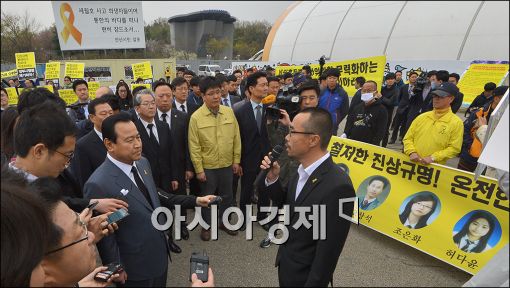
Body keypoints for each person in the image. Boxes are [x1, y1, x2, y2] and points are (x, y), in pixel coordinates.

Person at [260, 107, 355, 286]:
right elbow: (288, 204)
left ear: (313, 140)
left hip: (305, 278)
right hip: (287, 265)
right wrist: (272, 179)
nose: (287, 138)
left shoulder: (339, 187)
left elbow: (327, 255)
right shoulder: (302, 170)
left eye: (292, 131)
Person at [83, 113, 178, 286]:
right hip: (134, 267)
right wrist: (116, 267)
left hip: (159, 254)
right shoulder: (98, 184)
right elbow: (105, 236)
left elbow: (151, 202)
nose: (137, 144)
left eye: (138, 137)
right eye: (129, 140)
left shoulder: (143, 163)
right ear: (109, 144)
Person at [188, 76, 242, 241]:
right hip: (208, 167)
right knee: (207, 198)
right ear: (203, 96)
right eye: (211, 93)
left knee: (228, 196)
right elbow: (194, 146)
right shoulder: (196, 117)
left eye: (218, 92)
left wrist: (236, 160)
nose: (216, 96)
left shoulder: (229, 112)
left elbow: (236, 138)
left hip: (227, 164)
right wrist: (199, 170)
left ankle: (224, 222)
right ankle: (206, 226)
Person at [154, 80, 195, 240]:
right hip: (159, 169)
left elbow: (187, 144)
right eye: (161, 96)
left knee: (180, 199)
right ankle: (166, 229)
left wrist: (188, 168)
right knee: (162, 200)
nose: (165, 99)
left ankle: (182, 226)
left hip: (178, 167)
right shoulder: (149, 118)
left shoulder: (183, 117)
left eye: (168, 95)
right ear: (155, 98)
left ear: (172, 96)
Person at [235, 71, 272, 227]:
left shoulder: (271, 109)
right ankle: (243, 218)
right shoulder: (239, 110)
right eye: (262, 85)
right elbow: (236, 138)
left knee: (264, 189)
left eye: (267, 85)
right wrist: (238, 161)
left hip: (266, 157)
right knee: (246, 189)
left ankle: (263, 217)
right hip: (247, 158)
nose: (266, 88)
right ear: (251, 88)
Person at [403, 82, 463, 165]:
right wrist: (411, 152)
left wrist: (433, 157)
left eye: (441, 96)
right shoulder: (422, 117)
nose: (436, 99)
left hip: (433, 168)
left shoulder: (456, 123)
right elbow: (408, 138)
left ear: (451, 99)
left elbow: (454, 148)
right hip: (411, 164)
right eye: (435, 95)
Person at [133, 89, 176, 194]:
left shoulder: (163, 126)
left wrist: (174, 177)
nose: (151, 106)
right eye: (146, 104)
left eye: (153, 103)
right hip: (146, 181)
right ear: (137, 108)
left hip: (166, 181)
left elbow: (172, 153)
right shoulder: (133, 129)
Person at [458, 86, 508, 172]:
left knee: (481, 184)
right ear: (496, 99)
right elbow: (464, 131)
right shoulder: (479, 113)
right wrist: (470, 146)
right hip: (469, 158)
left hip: (491, 162)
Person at [70, 97, 113, 188]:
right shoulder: (82, 146)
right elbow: (84, 180)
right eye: (103, 114)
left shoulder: (121, 137)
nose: (109, 117)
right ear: (92, 118)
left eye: (111, 113)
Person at [343, 80, 388, 145]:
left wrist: (373, 144)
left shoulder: (382, 110)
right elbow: (349, 123)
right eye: (364, 91)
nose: (366, 93)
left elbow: (381, 132)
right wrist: (345, 134)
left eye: (369, 91)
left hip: (369, 146)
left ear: (376, 92)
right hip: (353, 144)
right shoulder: (357, 107)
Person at [389, 71, 418, 144]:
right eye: (412, 77)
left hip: (411, 109)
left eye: (415, 77)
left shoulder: (418, 88)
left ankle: (403, 138)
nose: (414, 79)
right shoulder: (404, 87)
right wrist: (401, 104)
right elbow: (399, 97)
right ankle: (393, 138)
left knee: (406, 124)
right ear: (409, 78)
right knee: (396, 124)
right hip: (401, 108)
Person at [318, 68, 350, 134]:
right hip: (319, 124)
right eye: (329, 78)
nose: (332, 80)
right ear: (326, 79)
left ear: (337, 79)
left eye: (334, 78)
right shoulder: (321, 92)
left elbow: (345, 110)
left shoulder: (342, 93)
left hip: (332, 127)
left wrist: (336, 121)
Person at [380, 72, 400, 147]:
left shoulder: (396, 90)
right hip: (379, 111)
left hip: (388, 112)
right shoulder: (382, 88)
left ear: (394, 80)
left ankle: (384, 146)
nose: (390, 81)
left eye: (392, 79)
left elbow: (390, 102)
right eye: (388, 79)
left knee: (385, 130)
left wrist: (381, 97)